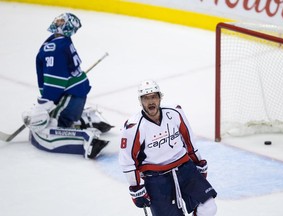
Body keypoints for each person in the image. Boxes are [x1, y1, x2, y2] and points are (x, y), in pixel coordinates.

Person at [119, 80, 217, 215]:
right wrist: (137, 188)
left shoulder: (174, 112)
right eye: (146, 98)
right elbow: (127, 161)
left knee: (209, 207)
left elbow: (189, 141)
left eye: (154, 96)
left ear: (160, 98)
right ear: (140, 101)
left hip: (185, 169)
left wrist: (198, 161)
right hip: (156, 179)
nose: (150, 101)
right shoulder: (133, 127)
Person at [22, 12, 113, 159]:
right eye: (57, 20)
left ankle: (89, 140)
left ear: (67, 26)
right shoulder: (61, 42)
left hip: (70, 96)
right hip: (73, 95)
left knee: (46, 128)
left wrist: (44, 103)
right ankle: (85, 120)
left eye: (61, 21)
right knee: (47, 118)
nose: (57, 23)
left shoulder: (55, 47)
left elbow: (55, 80)